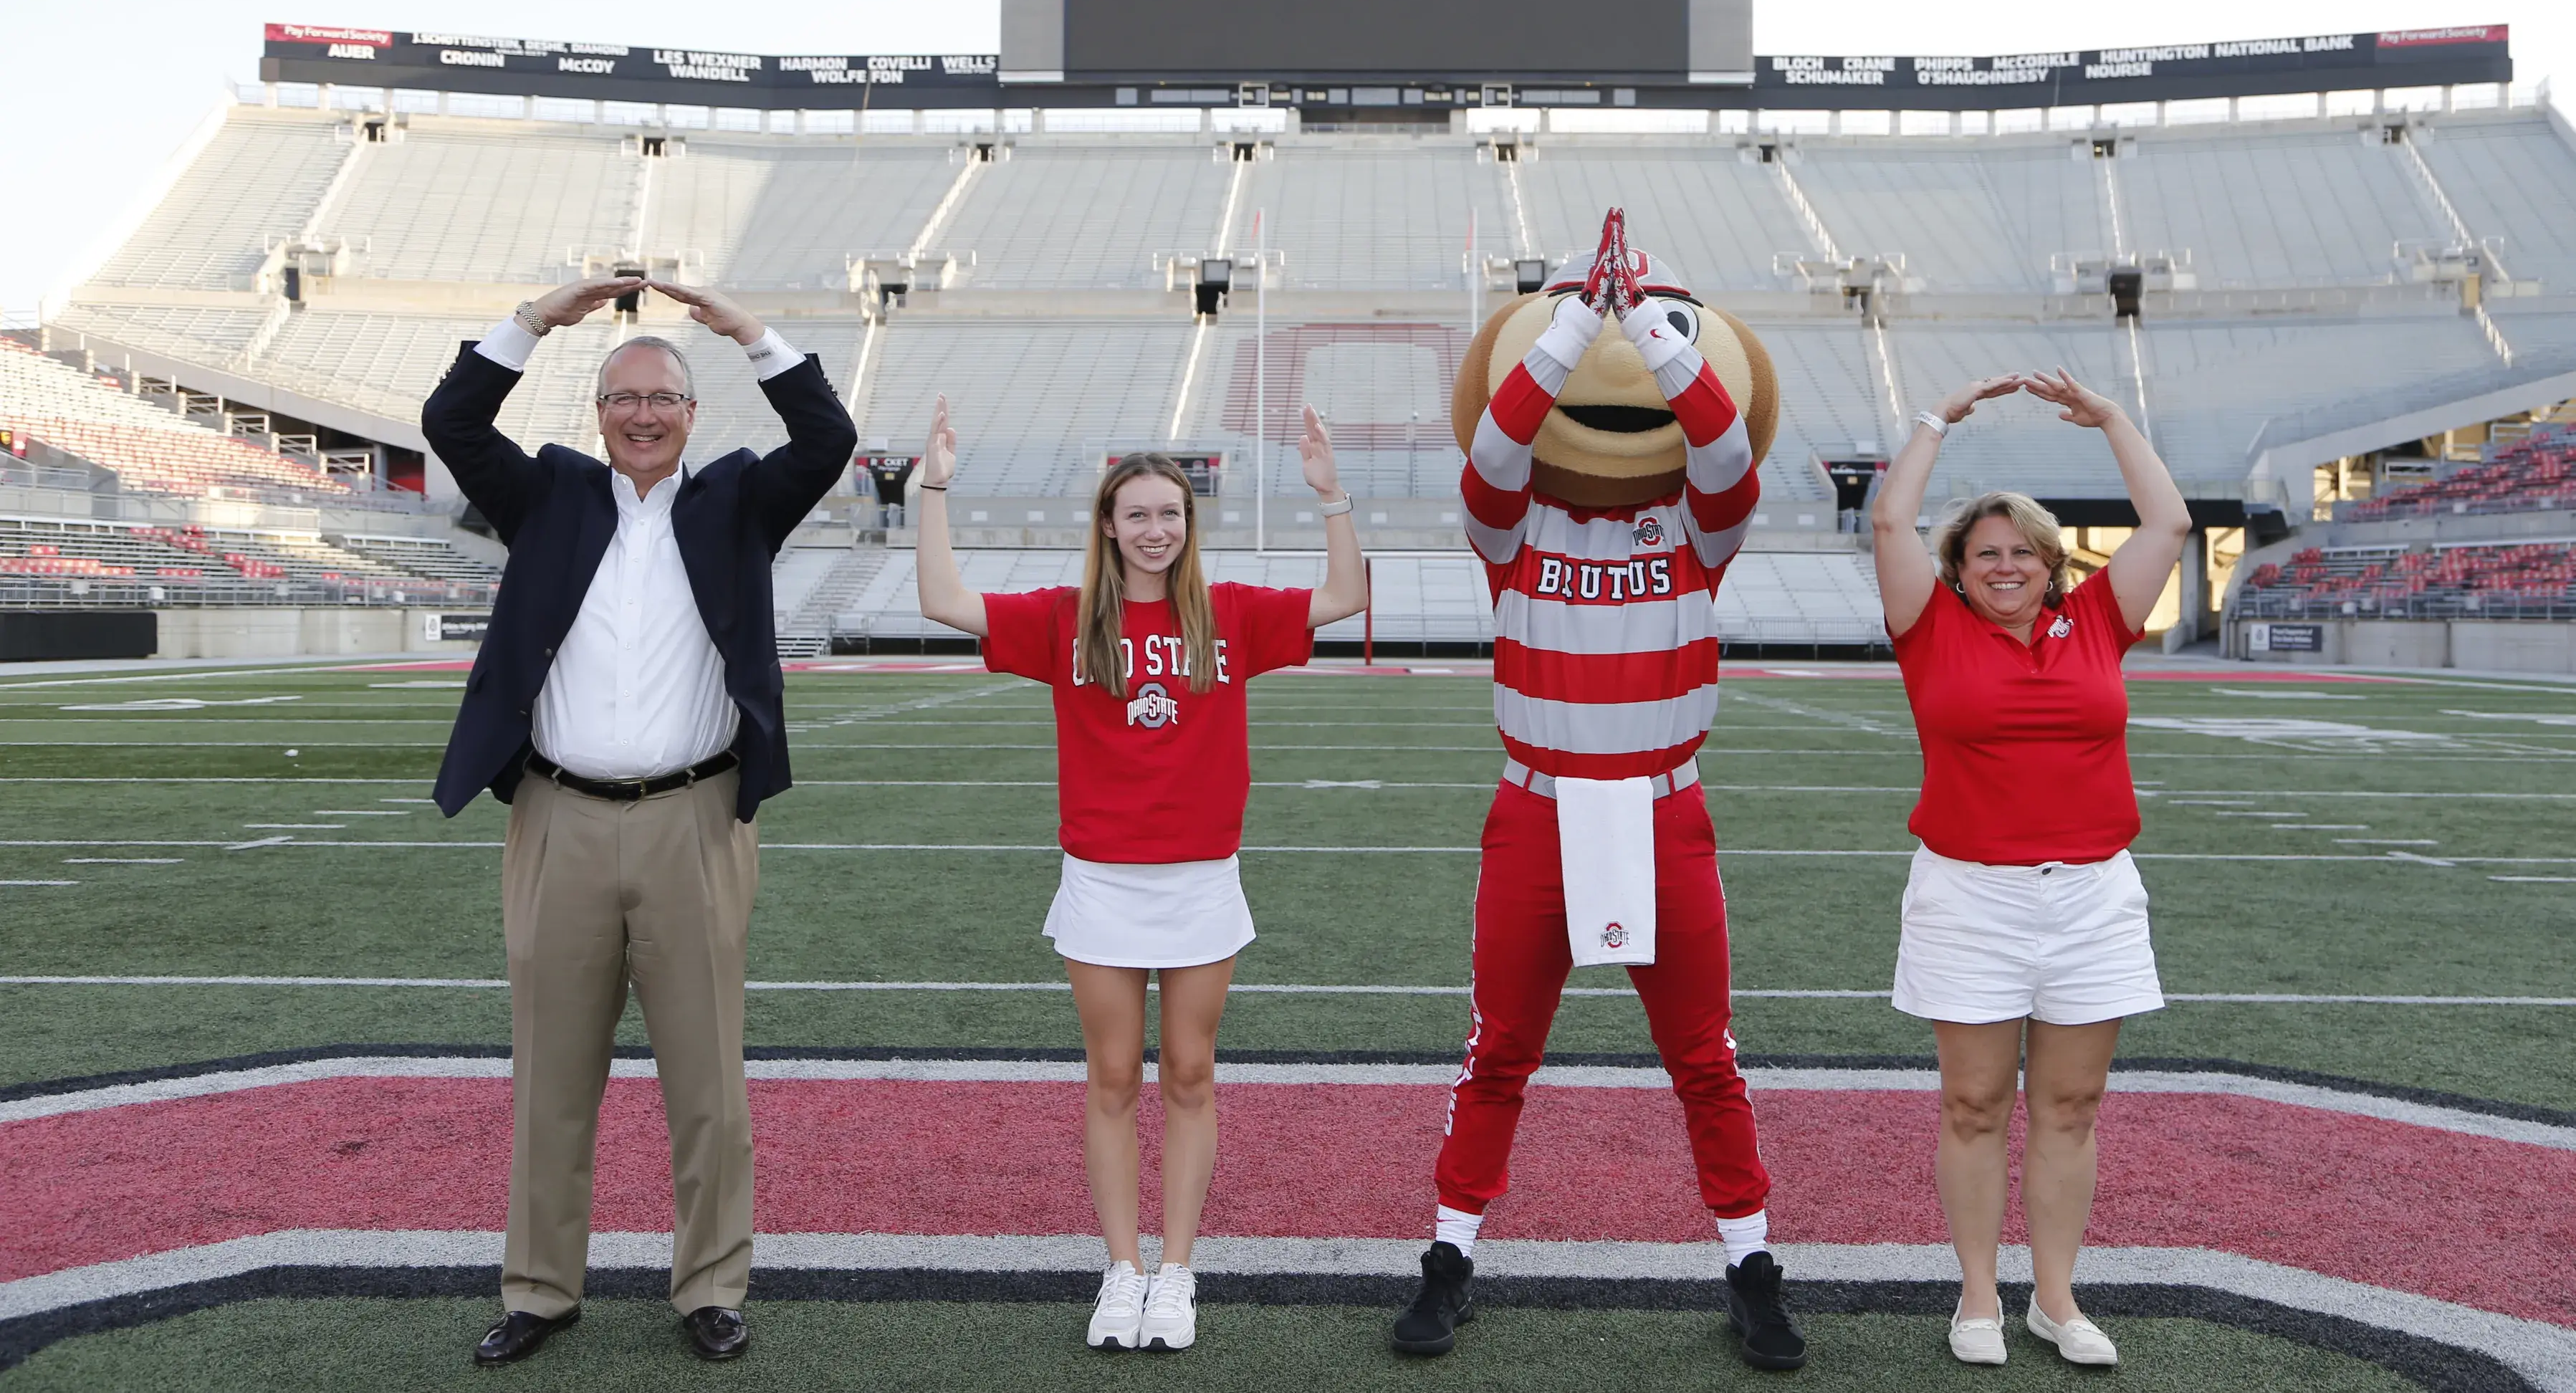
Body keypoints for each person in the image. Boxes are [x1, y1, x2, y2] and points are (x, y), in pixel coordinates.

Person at [423, 276, 856, 1366]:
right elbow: (453, 421)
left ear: (693, 412)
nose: (644, 413)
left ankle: (710, 1283)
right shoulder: (551, 499)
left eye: (663, 396)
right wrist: (537, 319)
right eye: (624, 398)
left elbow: (828, 433)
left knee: (705, 1077)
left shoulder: (740, 502)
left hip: (695, 816)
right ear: (600, 413)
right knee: (550, 1077)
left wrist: (746, 333)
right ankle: (539, 1288)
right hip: (559, 818)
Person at [1398, 236, 1805, 1371]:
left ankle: (1750, 1263)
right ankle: (1448, 1255)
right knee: (1498, 1050)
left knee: (1703, 1055)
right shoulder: (1510, 532)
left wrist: (1654, 330)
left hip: (1663, 809)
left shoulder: (1694, 531)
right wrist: (1575, 318)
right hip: (1536, 811)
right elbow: (1491, 451)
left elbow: (1728, 458)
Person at [914, 398, 1367, 1352]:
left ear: (1185, 525)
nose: (1155, 528)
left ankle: (1178, 1269)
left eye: (1171, 513)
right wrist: (935, 490)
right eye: (1138, 514)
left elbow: (1343, 597)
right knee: (1114, 1075)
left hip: (1201, 879)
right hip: (1103, 882)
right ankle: (1120, 1269)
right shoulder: (1068, 621)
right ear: (1109, 527)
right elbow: (944, 602)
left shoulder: (1231, 613)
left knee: (1191, 1073)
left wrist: (1330, 497)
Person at [1867, 368, 2190, 1369]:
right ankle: (1976, 1295)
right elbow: (1888, 525)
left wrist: (2108, 418)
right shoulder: (1929, 630)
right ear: (1957, 570)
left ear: (2052, 565)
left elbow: (2168, 523)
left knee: (2069, 1105)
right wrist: (1936, 421)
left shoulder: (2096, 619)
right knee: (1971, 1103)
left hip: (2092, 893)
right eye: (1983, 553)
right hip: (1970, 893)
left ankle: (2054, 1296)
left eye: (2021, 553)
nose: (2003, 566)